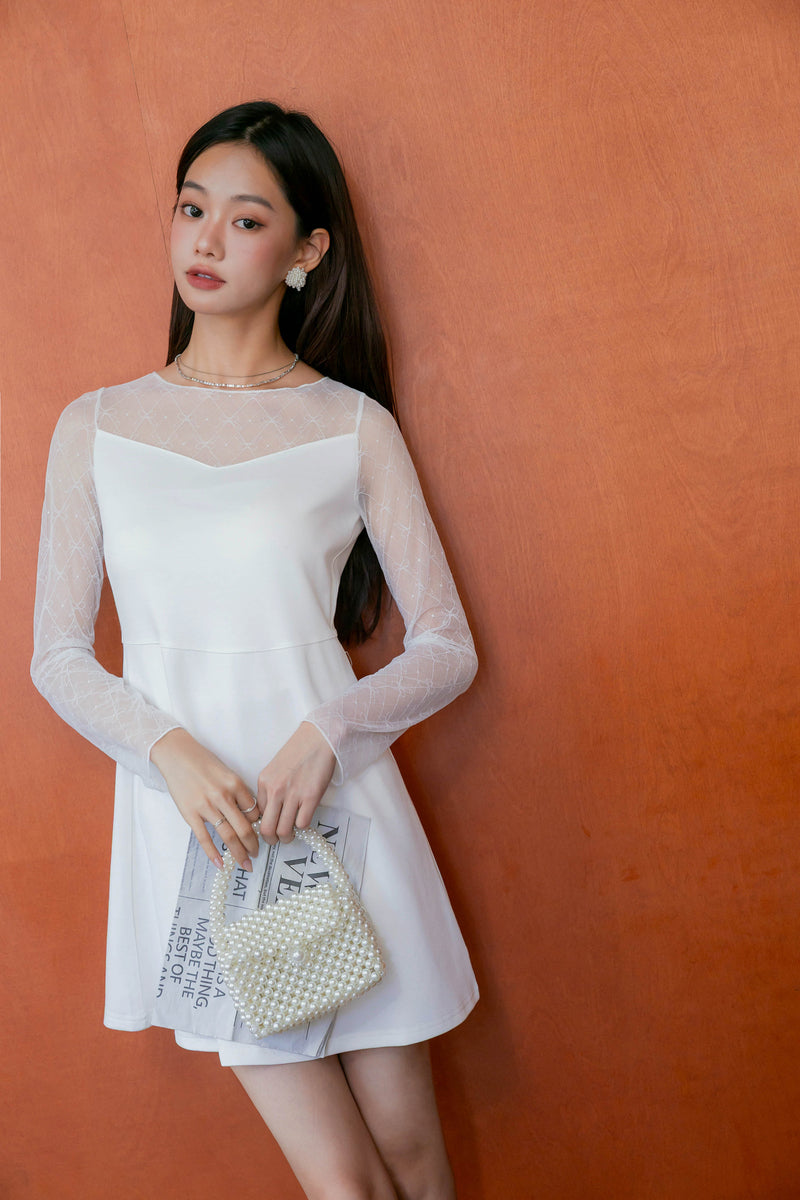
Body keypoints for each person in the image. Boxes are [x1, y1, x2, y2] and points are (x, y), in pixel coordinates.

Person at [31, 100, 479, 1200]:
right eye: (192, 209)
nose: (206, 240)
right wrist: (169, 751)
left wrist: (329, 732)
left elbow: (445, 645)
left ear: (305, 251)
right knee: (346, 1185)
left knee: (414, 1163)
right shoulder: (96, 428)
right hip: (209, 844)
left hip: (341, 819)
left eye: (244, 220)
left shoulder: (351, 426)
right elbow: (57, 655)